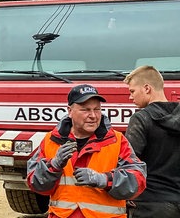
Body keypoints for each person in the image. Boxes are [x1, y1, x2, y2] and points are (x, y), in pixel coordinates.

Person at [27, 84, 146, 218]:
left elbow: (138, 181)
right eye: (85, 110)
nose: (93, 116)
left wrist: (104, 179)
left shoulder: (117, 141)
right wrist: (53, 166)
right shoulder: (51, 140)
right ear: (70, 111)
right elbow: (35, 184)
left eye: (97, 109)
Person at [123, 65, 180, 217]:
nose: (130, 97)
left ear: (147, 88)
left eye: (132, 91)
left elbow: (128, 161)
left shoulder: (141, 118)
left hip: (149, 203)